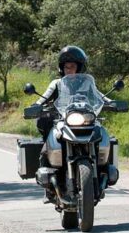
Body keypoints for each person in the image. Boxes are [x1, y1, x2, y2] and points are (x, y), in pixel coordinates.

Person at [33, 45, 109, 203]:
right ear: (62, 68)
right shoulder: (57, 84)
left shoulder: (88, 83)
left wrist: (112, 102)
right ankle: (48, 187)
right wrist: (36, 105)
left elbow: (100, 97)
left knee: (103, 136)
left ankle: (103, 174)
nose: (69, 70)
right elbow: (44, 98)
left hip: (85, 119)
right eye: (66, 67)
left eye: (73, 66)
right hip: (63, 120)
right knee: (50, 141)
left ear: (79, 67)